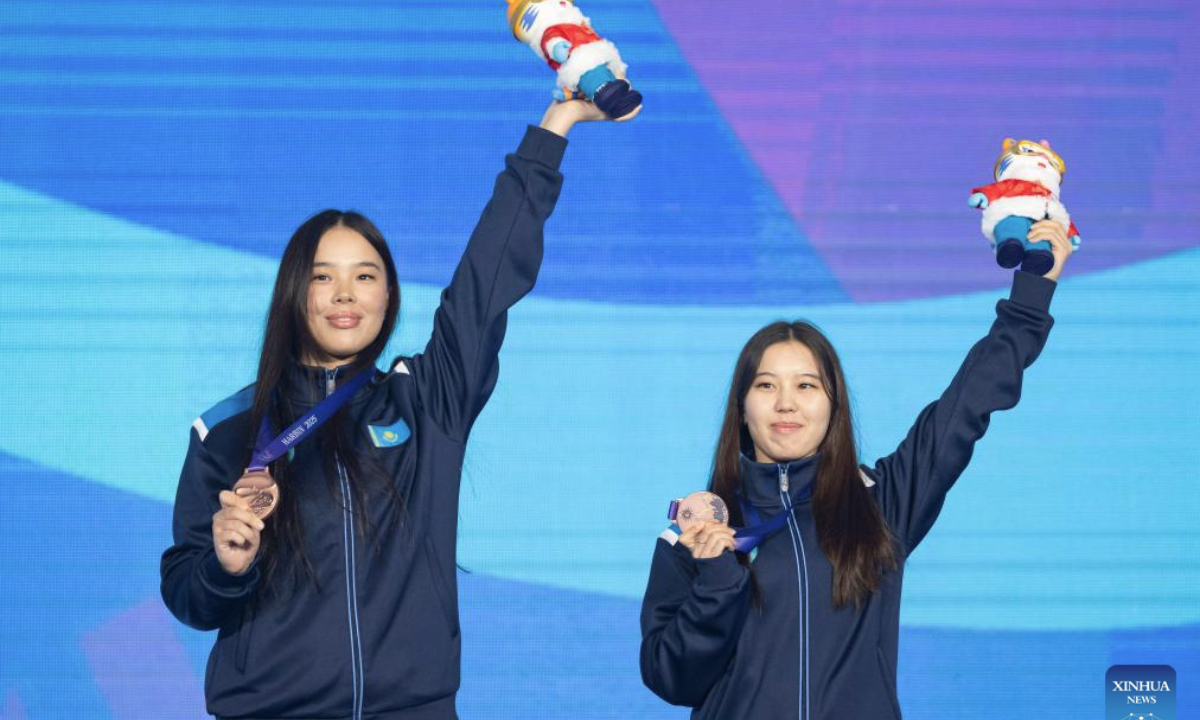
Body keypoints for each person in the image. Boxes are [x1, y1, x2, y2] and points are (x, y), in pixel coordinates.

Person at [161, 100, 620, 720]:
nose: (345, 295)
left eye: (366, 275)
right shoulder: (228, 430)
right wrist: (225, 566)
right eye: (323, 277)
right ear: (294, 292)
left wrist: (553, 131)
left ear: (389, 294)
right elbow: (189, 597)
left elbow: (485, 285)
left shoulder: (428, 400)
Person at [639, 221, 1074, 719]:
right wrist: (717, 580)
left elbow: (964, 410)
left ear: (832, 405)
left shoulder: (882, 502)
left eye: (806, 386)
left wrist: (1030, 298)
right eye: (765, 386)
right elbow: (669, 678)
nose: (786, 404)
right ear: (741, 406)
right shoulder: (694, 532)